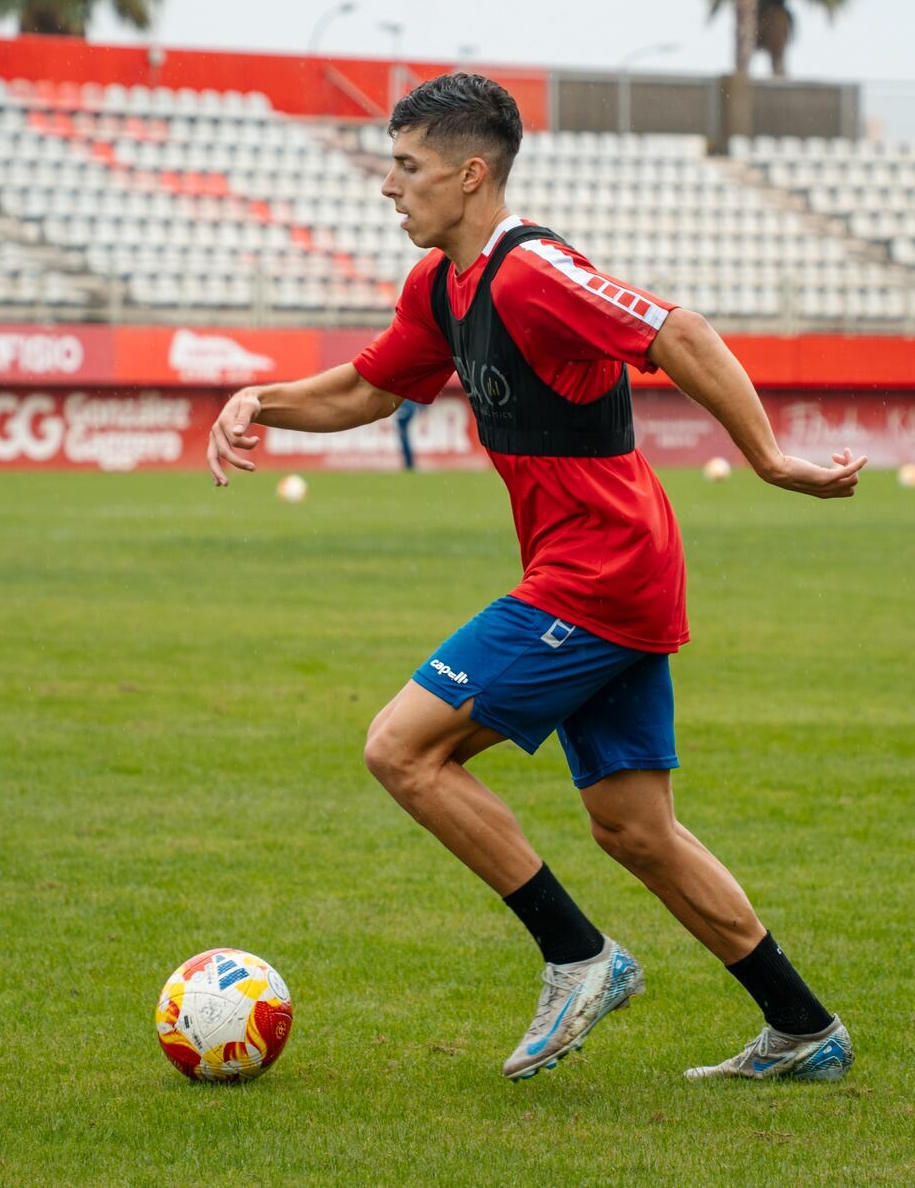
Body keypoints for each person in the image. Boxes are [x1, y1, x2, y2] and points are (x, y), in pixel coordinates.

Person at [205, 74, 867, 1083]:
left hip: (597, 574)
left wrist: (771, 461)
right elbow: (365, 387)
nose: (388, 186)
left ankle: (577, 957)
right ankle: (802, 1028)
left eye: (407, 166)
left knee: (401, 750)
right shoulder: (441, 286)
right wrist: (260, 399)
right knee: (634, 829)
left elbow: (677, 333)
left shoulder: (530, 270)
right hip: (602, 574)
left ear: (471, 176)